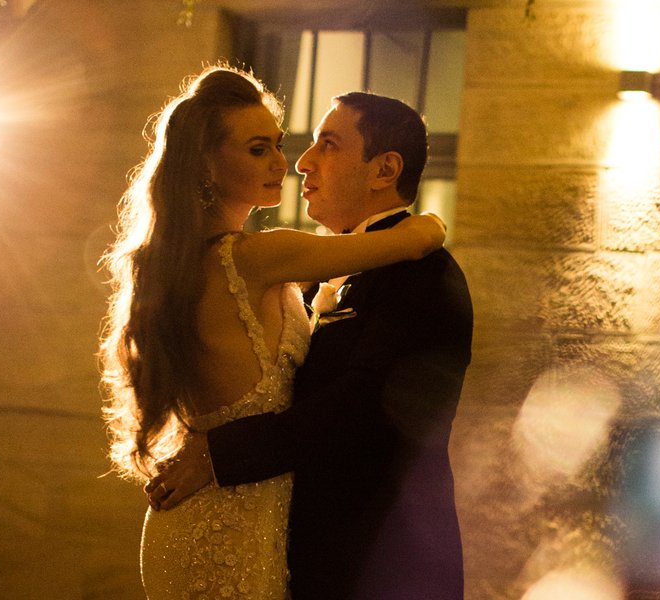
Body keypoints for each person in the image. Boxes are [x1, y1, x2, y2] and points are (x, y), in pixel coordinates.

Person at [98, 66, 447, 600]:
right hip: (226, 530)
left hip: (226, 517)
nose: (288, 163)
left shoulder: (194, 262)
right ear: (206, 166)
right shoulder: (261, 256)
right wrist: (430, 226)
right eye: (259, 149)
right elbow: (410, 240)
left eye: (280, 145)